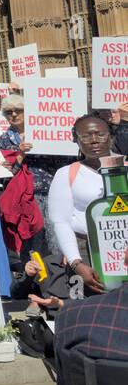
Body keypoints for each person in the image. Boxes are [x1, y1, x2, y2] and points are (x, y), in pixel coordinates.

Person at [47, 114, 116, 297]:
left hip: (122, 251)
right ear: (75, 140)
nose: (94, 141)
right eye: (86, 136)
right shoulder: (66, 174)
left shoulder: (124, 167)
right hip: (85, 252)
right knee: (90, 310)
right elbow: (61, 222)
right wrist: (76, 263)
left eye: (100, 134)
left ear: (111, 136)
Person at [0, 94, 54, 260]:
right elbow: (7, 173)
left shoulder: (45, 131)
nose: (14, 114)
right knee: (36, 244)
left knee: (54, 241)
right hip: (26, 198)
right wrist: (20, 154)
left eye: (18, 110)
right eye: (8, 112)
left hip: (51, 190)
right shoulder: (3, 141)